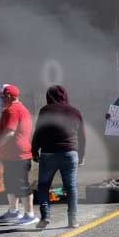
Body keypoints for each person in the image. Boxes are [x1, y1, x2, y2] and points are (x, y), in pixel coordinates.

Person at [33, 85, 86, 229]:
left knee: (43, 186)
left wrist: (34, 150)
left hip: (48, 153)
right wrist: (81, 155)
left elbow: (38, 132)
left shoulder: (45, 111)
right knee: (71, 187)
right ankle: (72, 220)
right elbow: (82, 136)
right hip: (70, 153)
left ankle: (45, 217)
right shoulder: (75, 112)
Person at [0, 84, 37, 225]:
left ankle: (30, 215)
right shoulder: (16, 109)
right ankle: (13, 211)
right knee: (10, 183)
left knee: (21, 184)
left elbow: (9, 132)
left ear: (8, 96)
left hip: (18, 155)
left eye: (1, 96)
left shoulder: (12, 110)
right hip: (11, 155)